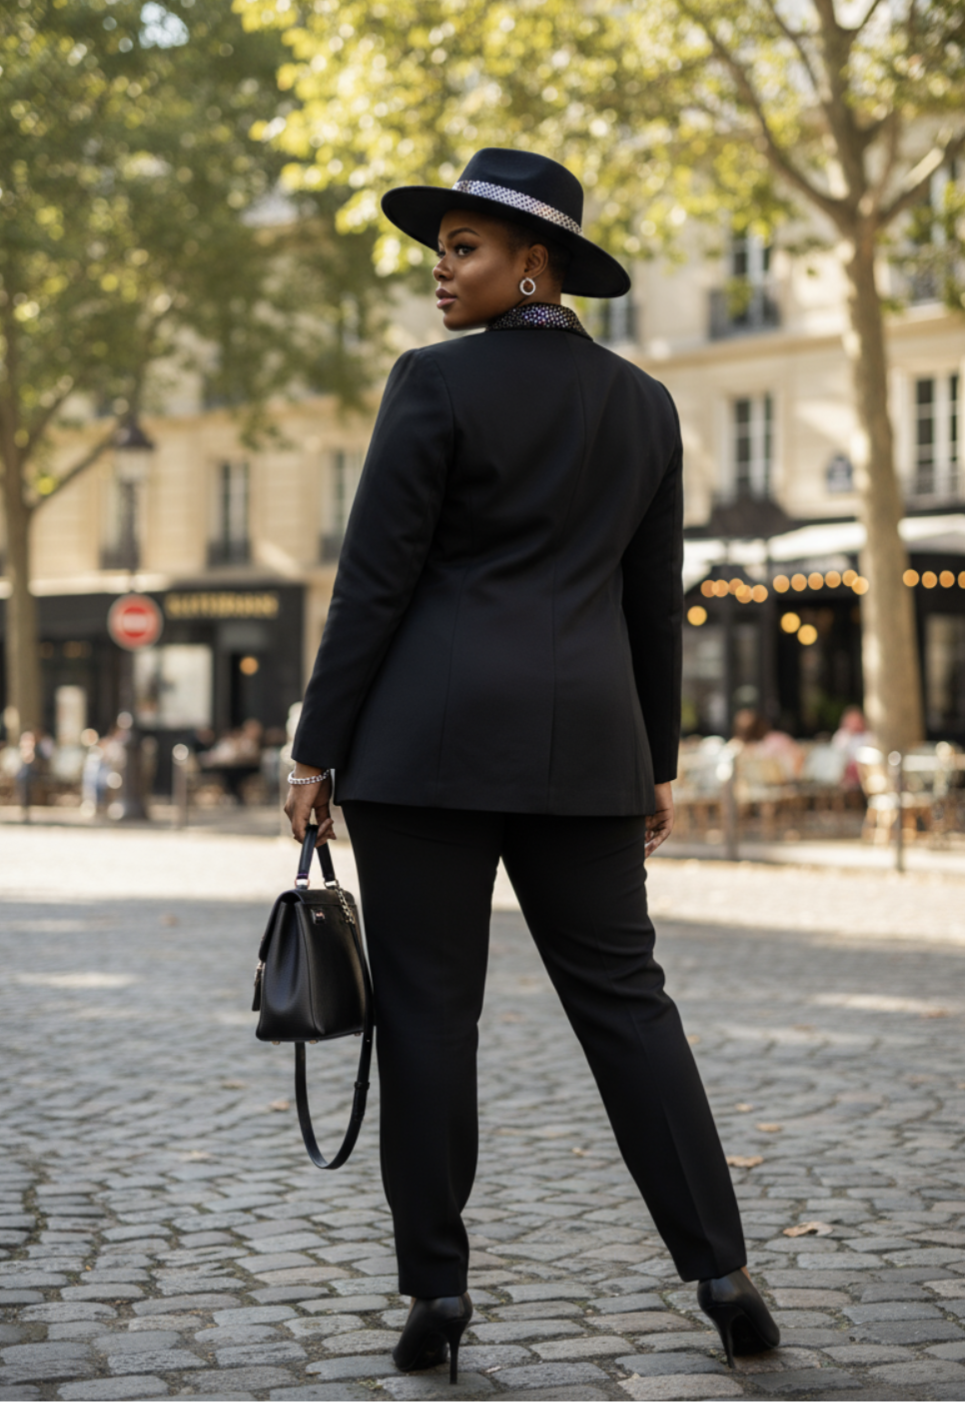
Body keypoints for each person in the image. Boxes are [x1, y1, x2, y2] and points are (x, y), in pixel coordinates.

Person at [284, 149, 778, 1380]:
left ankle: (436, 1296)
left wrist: (315, 742)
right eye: (441, 249)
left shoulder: (433, 386)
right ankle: (723, 1273)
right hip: (588, 750)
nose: (439, 274)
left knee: (431, 1021)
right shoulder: (646, 405)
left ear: (533, 262)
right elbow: (647, 604)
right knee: (628, 1007)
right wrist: (653, 759)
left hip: (424, 752)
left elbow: (376, 581)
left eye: (464, 250)